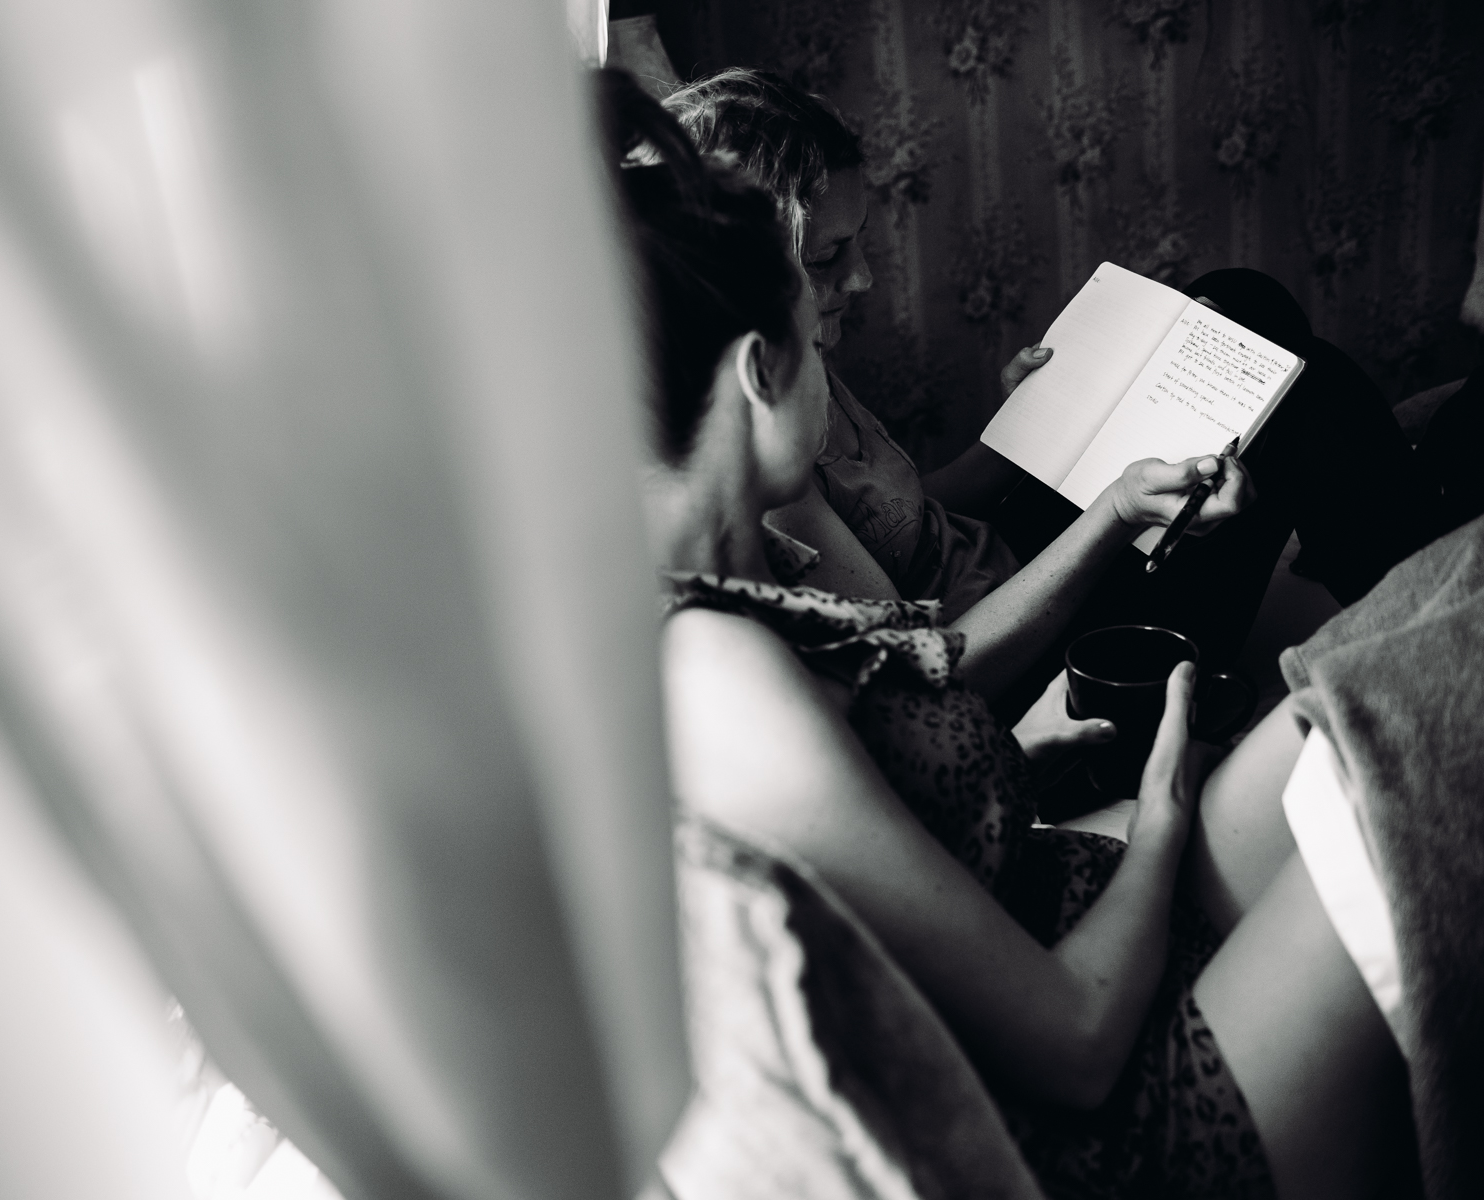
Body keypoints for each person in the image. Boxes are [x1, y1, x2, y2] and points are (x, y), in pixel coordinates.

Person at [600, 71, 1413, 1199]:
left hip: (1069, 897)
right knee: (1419, 702)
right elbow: (1075, 1044)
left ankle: (1405, 538)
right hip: (1129, 1100)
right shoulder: (718, 667)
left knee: (1383, 661)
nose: (850, 306)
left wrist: (1027, 765)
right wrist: (1165, 807)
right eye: (816, 313)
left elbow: (865, 838)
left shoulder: (740, 587)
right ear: (757, 372)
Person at [663, 69, 1444, 713]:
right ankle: (1437, 632)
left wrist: (1019, 425)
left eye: (859, 242)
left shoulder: (798, 351)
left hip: (1006, 551)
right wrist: (1116, 509)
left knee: (1234, 299)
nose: (861, 278)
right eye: (830, 255)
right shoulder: (764, 451)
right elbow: (939, 676)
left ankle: (1384, 540)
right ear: (752, 268)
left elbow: (902, 513)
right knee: (1310, 395)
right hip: (1028, 648)